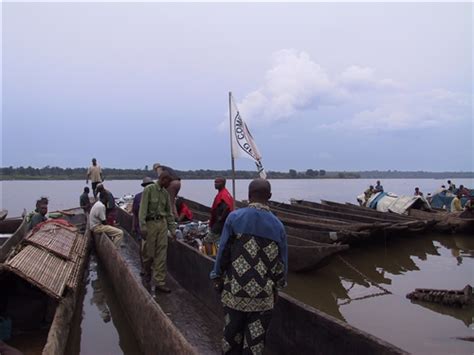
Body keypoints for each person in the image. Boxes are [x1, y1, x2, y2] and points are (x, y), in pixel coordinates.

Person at [210, 179, 288, 355]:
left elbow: (222, 254)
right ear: (269, 197)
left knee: (231, 338)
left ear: (248, 196)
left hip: (235, 292)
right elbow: (281, 266)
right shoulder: (278, 226)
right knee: (255, 344)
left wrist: (217, 276)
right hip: (262, 297)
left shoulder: (234, 218)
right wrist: (277, 287)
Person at [139, 171, 176, 294]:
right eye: (168, 182)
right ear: (163, 179)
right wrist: (143, 227)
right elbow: (142, 210)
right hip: (150, 224)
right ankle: (147, 271)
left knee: (161, 253)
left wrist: (173, 230)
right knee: (149, 253)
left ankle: (160, 282)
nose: (169, 185)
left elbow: (169, 213)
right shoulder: (149, 189)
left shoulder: (165, 194)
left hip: (162, 224)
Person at [132, 177, 155, 274]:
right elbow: (135, 214)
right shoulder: (138, 197)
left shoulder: (155, 196)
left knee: (152, 250)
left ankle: (149, 267)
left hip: (153, 227)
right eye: (147, 185)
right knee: (142, 249)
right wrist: (133, 226)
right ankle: (144, 267)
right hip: (141, 227)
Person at [204, 177, 234, 247]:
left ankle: (210, 256)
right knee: (220, 241)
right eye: (215, 182)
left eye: (217, 182)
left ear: (223, 183)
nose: (215, 184)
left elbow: (227, 207)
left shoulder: (223, 195)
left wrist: (220, 218)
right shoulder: (225, 193)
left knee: (207, 241)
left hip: (220, 224)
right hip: (224, 223)